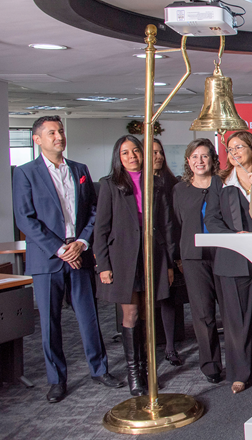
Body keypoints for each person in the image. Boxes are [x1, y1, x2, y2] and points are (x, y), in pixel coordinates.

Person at [12, 116, 123, 403]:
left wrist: (82, 243)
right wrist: (60, 249)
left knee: (89, 317)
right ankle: (57, 380)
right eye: (51, 132)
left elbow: (95, 211)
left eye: (60, 131)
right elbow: (25, 218)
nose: (59, 136)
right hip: (47, 258)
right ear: (37, 139)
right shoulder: (25, 173)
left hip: (80, 252)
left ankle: (99, 370)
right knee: (50, 323)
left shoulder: (79, 169)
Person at [95, 135, 176, 397]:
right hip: (122, 258)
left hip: (152, 255)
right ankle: (134, 374)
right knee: (130, 314)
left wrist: (169, 262)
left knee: (147, 315)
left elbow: (166, 225)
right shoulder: (109, 185)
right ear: (118, 158)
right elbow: (101, 228)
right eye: (125, 153)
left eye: (136, 151)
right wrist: (103, 265)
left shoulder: (156, 182)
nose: (132, 156)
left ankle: (147, 370)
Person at [204, 131, 252, 393]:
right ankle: (240, 373)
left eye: (239, 147)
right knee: (237, 319)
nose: (234, 152)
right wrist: (233, 237)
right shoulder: (220, 181)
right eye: (230, 149)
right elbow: (212, 219)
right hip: (232, 258)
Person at [172, 138, 225, 384]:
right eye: (194, 156)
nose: (199, 161)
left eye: (204, 156)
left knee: (231, 312)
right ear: (188, 161)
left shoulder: (223, 184)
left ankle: (239, 361)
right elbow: (175, 225)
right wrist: (177, 258)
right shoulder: (179, 190)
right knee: (203, 314)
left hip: (224, 254)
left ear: (213, 159)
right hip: (194, 258)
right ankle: (211, 365)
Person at [152, 138, 183, 368]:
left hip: (168, 249)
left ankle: (170, 347)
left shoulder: (172, 183)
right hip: (146, 249)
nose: (158, 156)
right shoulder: (138, 184)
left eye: (160, 152)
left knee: (168, 299)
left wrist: (174, 256)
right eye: (153, 152)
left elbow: (174, 222)